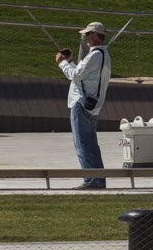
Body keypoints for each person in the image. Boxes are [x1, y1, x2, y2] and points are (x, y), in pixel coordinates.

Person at [55, 21, 112, 189]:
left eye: (87, 34)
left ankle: (90, 180)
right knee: (91, 144)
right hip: (91, 105)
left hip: (81, 104)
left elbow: (75, 75)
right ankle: (98, 179)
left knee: (82, 144)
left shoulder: (94, 55)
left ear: (94, 36)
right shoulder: (103, 55)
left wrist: (62, 63)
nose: (85, 37)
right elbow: (82, 75)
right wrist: (71, 61)